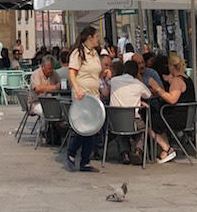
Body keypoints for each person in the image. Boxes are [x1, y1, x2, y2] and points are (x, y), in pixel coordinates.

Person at [109, 58, 175, 164]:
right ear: (136, 72)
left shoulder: (113, 81)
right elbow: (148, 95)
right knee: (143, 129)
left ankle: (124, 153)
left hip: (115, 121)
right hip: (133, 120)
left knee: (121, 131)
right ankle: (138, 150)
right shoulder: (138, 84)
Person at [67, 25, 102, 173]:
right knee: (84, 127)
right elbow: (72, 73)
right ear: (90, 38)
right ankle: (73, 152)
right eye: (96, 37)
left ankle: (84, 160)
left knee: (92, 128)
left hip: (94, 95)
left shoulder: (95, 54)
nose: (98, 39)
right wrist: (77, 89)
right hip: (82, 95)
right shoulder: (78, 53)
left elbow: (95, 73)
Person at [145, 53, 192, 158]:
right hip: (187, 116)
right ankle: (167, 148)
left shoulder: (177, 81)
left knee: (148, 121)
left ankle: (166, 148)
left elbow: (172, 99)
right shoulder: (186, 79)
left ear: (172, 66)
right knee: (156, 117)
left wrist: (158, 89)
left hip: (177, 117)